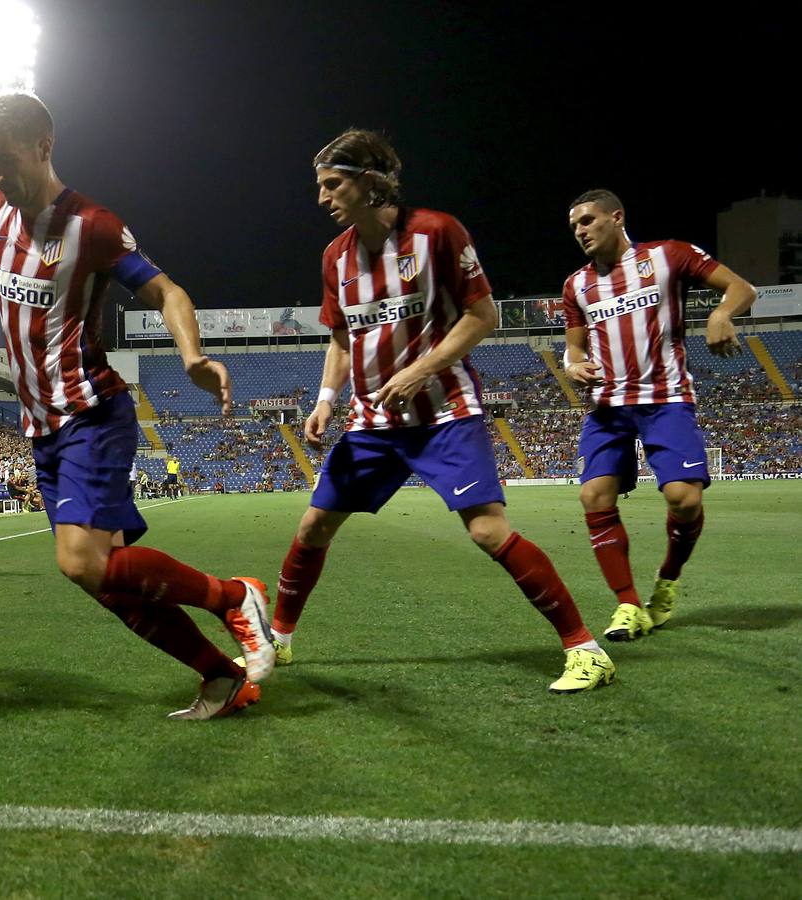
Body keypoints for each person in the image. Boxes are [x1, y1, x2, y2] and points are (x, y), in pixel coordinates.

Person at [0, 91, 273, 720]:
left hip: (90, 410)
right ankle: (220, 677)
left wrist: (192, 357)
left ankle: (232, 597)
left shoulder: (94, 226)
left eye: (5, 160)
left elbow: (168, 291)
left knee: (77, 560)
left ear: (44, 147)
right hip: (41, 426)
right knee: (100, 575)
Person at [268, 129, 610, 693]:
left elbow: (482, 315)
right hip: (374, 422)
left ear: (368, 182)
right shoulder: (335, 257)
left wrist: (423, 368)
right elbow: (340, 339)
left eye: (333, 185)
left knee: (488, 531)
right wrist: (326, 399)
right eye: (321, 187)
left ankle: (585, 650)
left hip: (445, 412)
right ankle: (276, 640)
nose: (322, 198)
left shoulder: (436, 232)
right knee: (312, 526)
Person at [560, 190, 756, 640]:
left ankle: (666, 581)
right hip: (608, 407)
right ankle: (627, 605)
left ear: (617, 216)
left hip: (665, 398)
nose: (581, 231)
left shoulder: (669, 256)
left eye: (588, 221)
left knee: (684, 501)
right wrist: (572, 364)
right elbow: (574, 347)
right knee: (594, 497)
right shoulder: (577, 285)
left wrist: (722, 313)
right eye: (574, 227)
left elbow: (741, 288)